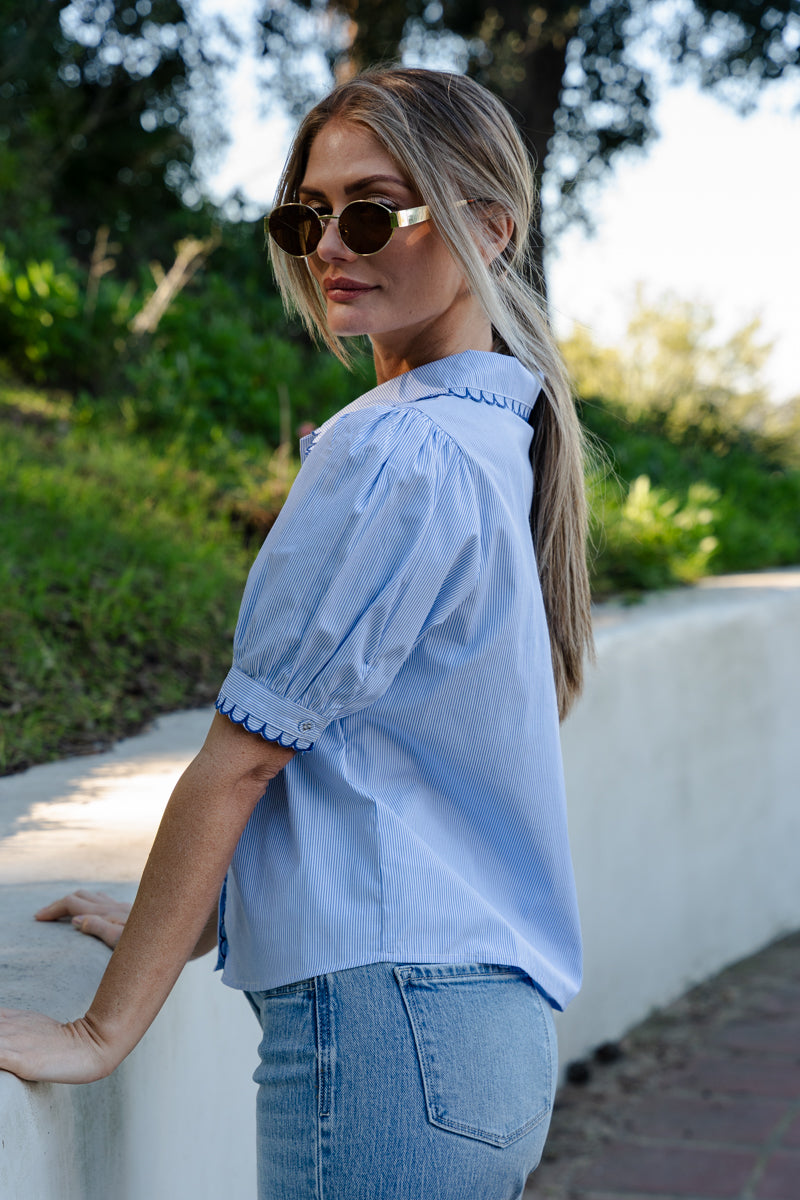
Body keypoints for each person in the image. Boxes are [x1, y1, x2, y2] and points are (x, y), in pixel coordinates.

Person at [0, 66, 593, 1199]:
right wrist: (180, 923)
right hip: (475, 1038)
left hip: (386, 1038)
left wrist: (96, 1032)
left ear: (487, 226)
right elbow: (369, 766)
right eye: (303, 212)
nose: (328, 242)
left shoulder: (400, 452)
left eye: (371, 208)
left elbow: (246, 763)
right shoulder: (485, 437)